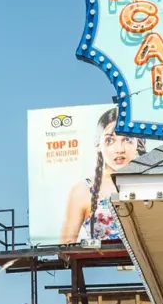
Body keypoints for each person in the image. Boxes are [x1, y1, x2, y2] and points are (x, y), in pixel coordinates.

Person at [60, 105, 145, 245]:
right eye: (110, 140)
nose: (119, 150)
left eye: (127, 139)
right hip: (100, 265)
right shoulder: (83, 190)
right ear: (98, 144)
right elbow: (65, 247)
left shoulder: (151, 184)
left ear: (139, 143)